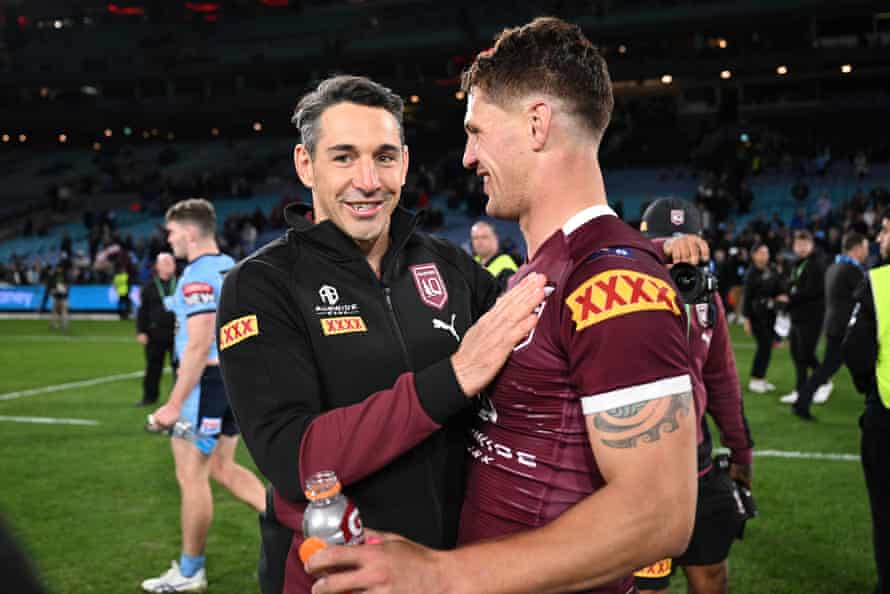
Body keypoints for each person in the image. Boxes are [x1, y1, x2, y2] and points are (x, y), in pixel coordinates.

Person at [305, 17, 697, 594]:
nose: (467, 156)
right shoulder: (545, 271)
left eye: (477, 131)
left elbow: (659, 514)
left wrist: (438, 575)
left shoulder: (614, 283)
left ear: (537, 124)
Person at [215, 75, 545, 594]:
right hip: (333, 577)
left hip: (455, 571)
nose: (368, 181)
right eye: (344, 157)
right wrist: (454, 377)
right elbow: (293, 457)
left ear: (405, 164)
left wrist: (641, 257)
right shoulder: (261, 285)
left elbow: (542, 328)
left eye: (384, 157)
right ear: (306, 164)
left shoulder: (450, 265)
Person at [142, 198, 266, 593]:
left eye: (173, 232)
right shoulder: (231, 266)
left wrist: (174, 404)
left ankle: (190, 570)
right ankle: (297, 528)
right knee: (223, 468)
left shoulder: (197, 276)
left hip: (206, 385)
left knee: (191, 476)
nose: (170, 240)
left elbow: (197, 346)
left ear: (191, 232)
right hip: (233, 380)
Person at [636, 198, 753, 594]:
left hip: (695, 459)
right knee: (647, 587)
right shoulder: (621, 295)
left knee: (712, 576)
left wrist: (741, 450)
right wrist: (660, 252)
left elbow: (722, 380)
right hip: (639, 465)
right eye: (669, 253)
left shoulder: (706, 297)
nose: (678, 267)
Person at [844, 209, 890, 594]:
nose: (879, 238)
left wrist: (868, 387)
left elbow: (855, 351)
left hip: (886, 416)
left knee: (886, 513)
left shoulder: (879, 282)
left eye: (886, 230)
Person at [793, 231, 869, 420]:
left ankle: (802, 401)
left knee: (831, 367)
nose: (867, 252)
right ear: (858, 248)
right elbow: (865, 299)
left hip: (834, 325)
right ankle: (802, 401)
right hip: (845, 329)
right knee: (830, 368)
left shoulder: (835, 266)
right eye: (866, 248)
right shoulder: (851, 271)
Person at [780, 230, 828, 404]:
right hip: (797, 314)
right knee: (796, 353)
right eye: (798, 245)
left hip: (812, 316)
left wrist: (790, 297)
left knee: (806, 354)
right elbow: (792, 284)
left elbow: (813, 291)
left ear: (811, 245)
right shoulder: (796, 263)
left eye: (805, 244)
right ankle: (800, 390)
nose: (801, 248)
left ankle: (824, 382)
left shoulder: (817, 263)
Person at [741, 243, 788, 393]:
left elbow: (779, 287)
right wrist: (746, 320)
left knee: (767, 348)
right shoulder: (751, 274)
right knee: (764, 347)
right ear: (754, 255)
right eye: (761, 253)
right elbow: (746, 298)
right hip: (756, 317)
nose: (764, 256)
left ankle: (760, 378)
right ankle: (755, 380)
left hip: (770, 315)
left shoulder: (772, 269)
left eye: (766, 253)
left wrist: (781, 295)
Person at [136, 252, 177, 407]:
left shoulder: (181, 284)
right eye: (165, 263)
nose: (169, 265)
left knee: (180, 368)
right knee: (153, 367)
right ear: (157, 266)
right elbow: (143, 311)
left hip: (177, 332)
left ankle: (179, 399)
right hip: (155, 333)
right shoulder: (149, 287)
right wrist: (141, 331)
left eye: (171, 262)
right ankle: (149, 397)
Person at [470, 220, 518, 287]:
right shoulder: (471, 262)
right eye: (475, 238)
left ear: (495, 239)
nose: (479, 241)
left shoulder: (505, 263)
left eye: (484, 237)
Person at [44, 263, 69, 330]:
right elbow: (51, 285)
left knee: (64, 310)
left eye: (59, 268)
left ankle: (64, 324)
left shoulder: (65, 276)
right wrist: (52, 290)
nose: (58, 269)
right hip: (56, 296)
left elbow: (67, 286)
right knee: (54, 310)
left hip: (63, 296)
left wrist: (65, 289)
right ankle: (53, 324)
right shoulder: (54, 276)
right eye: (58, 268)